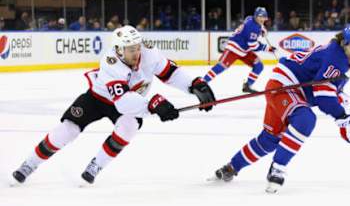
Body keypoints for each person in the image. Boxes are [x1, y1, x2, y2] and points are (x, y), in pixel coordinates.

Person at [12, 26, 216, 184]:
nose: (136, 53)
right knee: (67, 130)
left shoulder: (148, 53)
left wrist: (194, 86)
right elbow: (123, 102)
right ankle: (29, 164)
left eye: (137, 47)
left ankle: (95, 166)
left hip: (130, 100)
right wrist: (153, 104)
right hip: (98, 98)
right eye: (130, 50)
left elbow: (170, 73)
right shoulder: (110, 63)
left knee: (128, 128)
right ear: (118, 50)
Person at [212, 24, 350, 193]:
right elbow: (322, 95)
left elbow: (330, 88)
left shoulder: (341, 55)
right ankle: (278, 168)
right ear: (344, 43)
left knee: (269, 139)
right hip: (284, 86)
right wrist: (342, 116)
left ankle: (231, 167)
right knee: (305, 119)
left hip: (285, 87)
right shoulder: (336, 57)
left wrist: (345, 119)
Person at [203, 7, 277, 93]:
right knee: (221, 66)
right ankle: (203, 82)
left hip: (244, 50)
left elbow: (253, 22)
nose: (261, 19)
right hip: (234, 48)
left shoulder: (251, 19)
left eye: (263, 17)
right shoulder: (253, 28)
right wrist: (267, 48)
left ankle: (247, 85)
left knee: (259, 65)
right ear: (256, 16)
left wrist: (262, 30)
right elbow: (253, 46)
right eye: (259, 17)